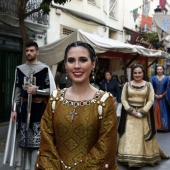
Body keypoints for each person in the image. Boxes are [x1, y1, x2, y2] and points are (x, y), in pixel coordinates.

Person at [35, 41, 118, 170]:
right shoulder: (55, 99)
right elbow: (46, 141)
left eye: (83, 60)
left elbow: (105, 147)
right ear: (65, 65)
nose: (77, 66)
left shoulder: (105, 101)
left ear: (93, 64)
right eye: (71, 60)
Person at [3, 41, 56, 170]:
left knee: (37, 143)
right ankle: (24, 167)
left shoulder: (44, 69)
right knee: (23, 142)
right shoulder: (20, 69)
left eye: (32, 50)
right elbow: (17, 91)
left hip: (39, 110)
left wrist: (37, 90)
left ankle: (34, 167)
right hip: (23, 109)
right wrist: (14, 109)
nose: (29, 53)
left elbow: (52, 91)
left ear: (37, 52)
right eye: (27, 50)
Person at [117, 64, 169, 168]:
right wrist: (131, 111)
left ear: (143, 73)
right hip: (130, 116)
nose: (137, 75)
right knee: (129, 136)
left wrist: (143, 112)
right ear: (132, 74)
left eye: (139, 73)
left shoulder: (148, 85)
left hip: (143, 116)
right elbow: (123, 99)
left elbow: (151, 100)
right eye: (135, 73)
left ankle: (144, 157)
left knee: (144, 135)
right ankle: (128, 158)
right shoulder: (127, 85)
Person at [151, 64, 170, 131]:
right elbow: (151, 88)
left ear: (163, 70)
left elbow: (168, 88)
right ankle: (155, 127)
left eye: (160, 69)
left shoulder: (167, 78)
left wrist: (162, 95)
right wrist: (154, 95)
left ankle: (163, 127)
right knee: (154, 111)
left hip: (164, 99)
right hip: (155, 98)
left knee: (163, 111)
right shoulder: (153, 78)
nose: (159, 70)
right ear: (156, 70)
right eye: (158, 69)